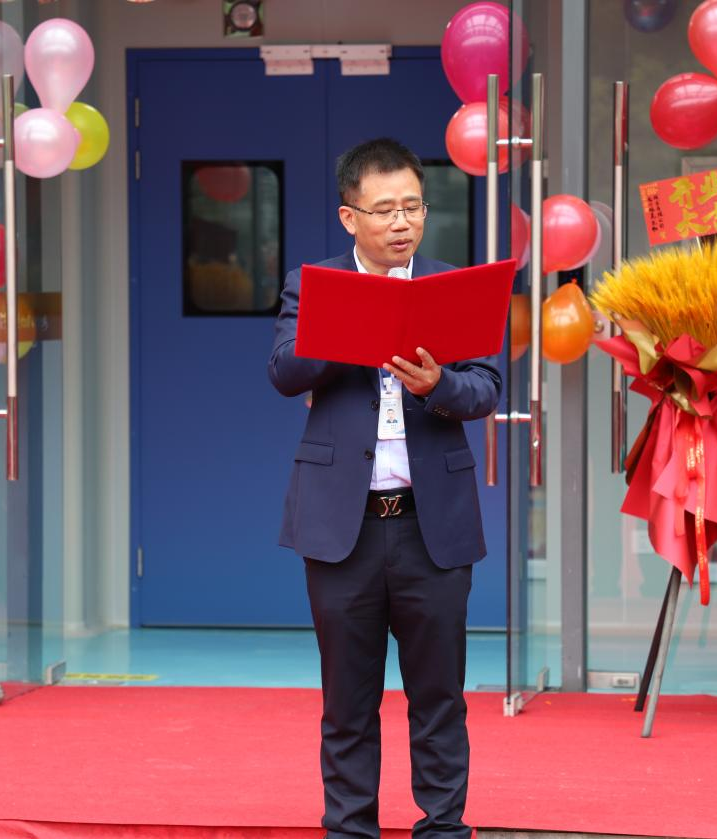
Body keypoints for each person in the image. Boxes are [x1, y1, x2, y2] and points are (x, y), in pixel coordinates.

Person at [268, 138, 501, 839]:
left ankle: (443, 827)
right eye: (384, 209)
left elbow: (485, 388)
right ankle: (350, 830)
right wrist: (347, 329)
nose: (401, 222)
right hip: (345, 527)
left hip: (433, 526)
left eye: (412, 207)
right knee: (347, 701)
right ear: (350, 217)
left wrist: (438, 384)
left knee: (440, 696)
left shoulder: (451, 286)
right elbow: (284, 372)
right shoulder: (312, 285)